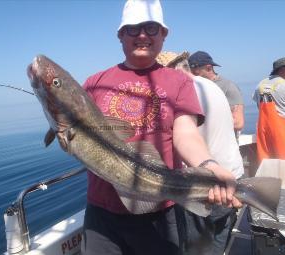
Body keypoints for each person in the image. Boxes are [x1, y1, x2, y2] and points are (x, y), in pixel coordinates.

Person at [81, 1, 241, 255]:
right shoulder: (94, 83)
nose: (142, 34)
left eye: (151, 28)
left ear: (163, 35)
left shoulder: (178, 81)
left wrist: (208, 165)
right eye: (133, 28)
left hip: (160, 210)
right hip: (101, 214)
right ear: (120, 35)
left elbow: (186, 133)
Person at [157, 51, 244, 255]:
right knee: (220, 238)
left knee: (196, 248)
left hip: (208, 186)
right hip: (233, 174)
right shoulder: (210, 86)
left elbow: (182, 140)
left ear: (170, 72)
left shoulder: (183, 94)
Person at [188, 51, 245, 139]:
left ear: (208, 68)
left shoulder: (228, 87)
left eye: (196, 73)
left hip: (224, 147)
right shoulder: (195, 86)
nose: (193, 76)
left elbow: (238, 123)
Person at [252, 57, 285, 162]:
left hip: (263, 129)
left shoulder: (260, 85)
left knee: (267, 159)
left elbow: (258, 104)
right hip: (283, 129)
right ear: (282, 69)